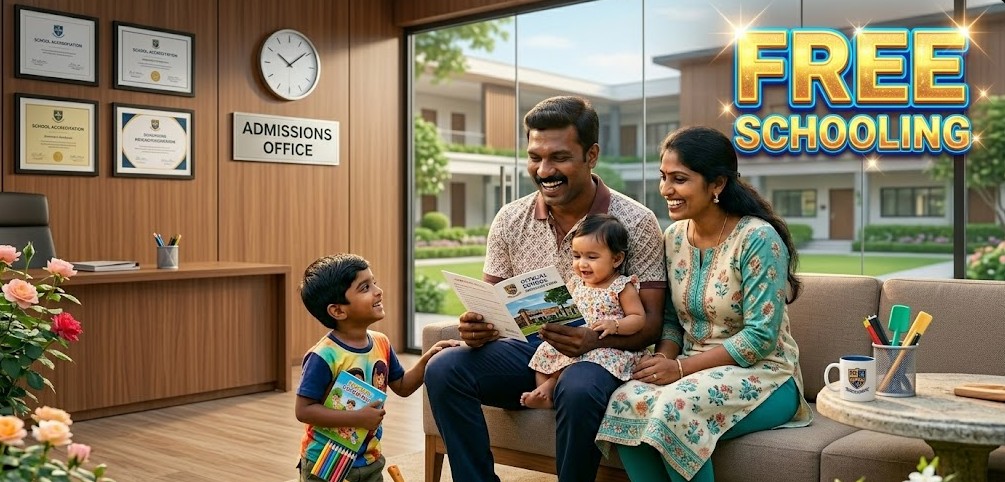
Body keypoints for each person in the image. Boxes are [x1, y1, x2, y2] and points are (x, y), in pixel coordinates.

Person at [425, 95, 668, 482]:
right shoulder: (510, 219)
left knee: (579, 386)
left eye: (558, 157)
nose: (544, 170)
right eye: (535, 157)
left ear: (591, 155)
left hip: (598, 358)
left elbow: (652, 323)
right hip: (528, 352)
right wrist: (477, 324)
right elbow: (491, 302)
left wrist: (591, 341)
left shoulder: (635, 222)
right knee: (443, 369)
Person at [595, 126, 813, 482]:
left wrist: (681, 370)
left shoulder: (757, 238)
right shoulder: (674, 237)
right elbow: (670, 320)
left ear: (717, 184)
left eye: (679, 179)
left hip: (766, 375)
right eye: (664, 177)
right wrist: (664, 358)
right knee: (625, 400)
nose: (666, 189)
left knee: (674, 410)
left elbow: (761, 336)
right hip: (691, 368)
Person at [294, 253, 459, 482]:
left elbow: (402, 386)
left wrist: (428, 359)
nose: (378, 291)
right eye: (364, 287)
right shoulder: (324, 356)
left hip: (370, 457)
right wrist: (357, 418)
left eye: (374, 282)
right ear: (338, 311)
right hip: (326, 461)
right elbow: (304, 410)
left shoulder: (381, 342)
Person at [521, 213, 647, 409]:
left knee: (583, 362)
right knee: (544, 352)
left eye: (592, 257)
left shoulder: (621, 286)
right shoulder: (576, 283)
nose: (582, 264)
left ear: (616, 259)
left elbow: (638, 318)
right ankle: (545, 392)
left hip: (603, 347)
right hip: (573, 341)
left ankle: (550, 388)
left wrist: (615, 325)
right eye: (577, 256)